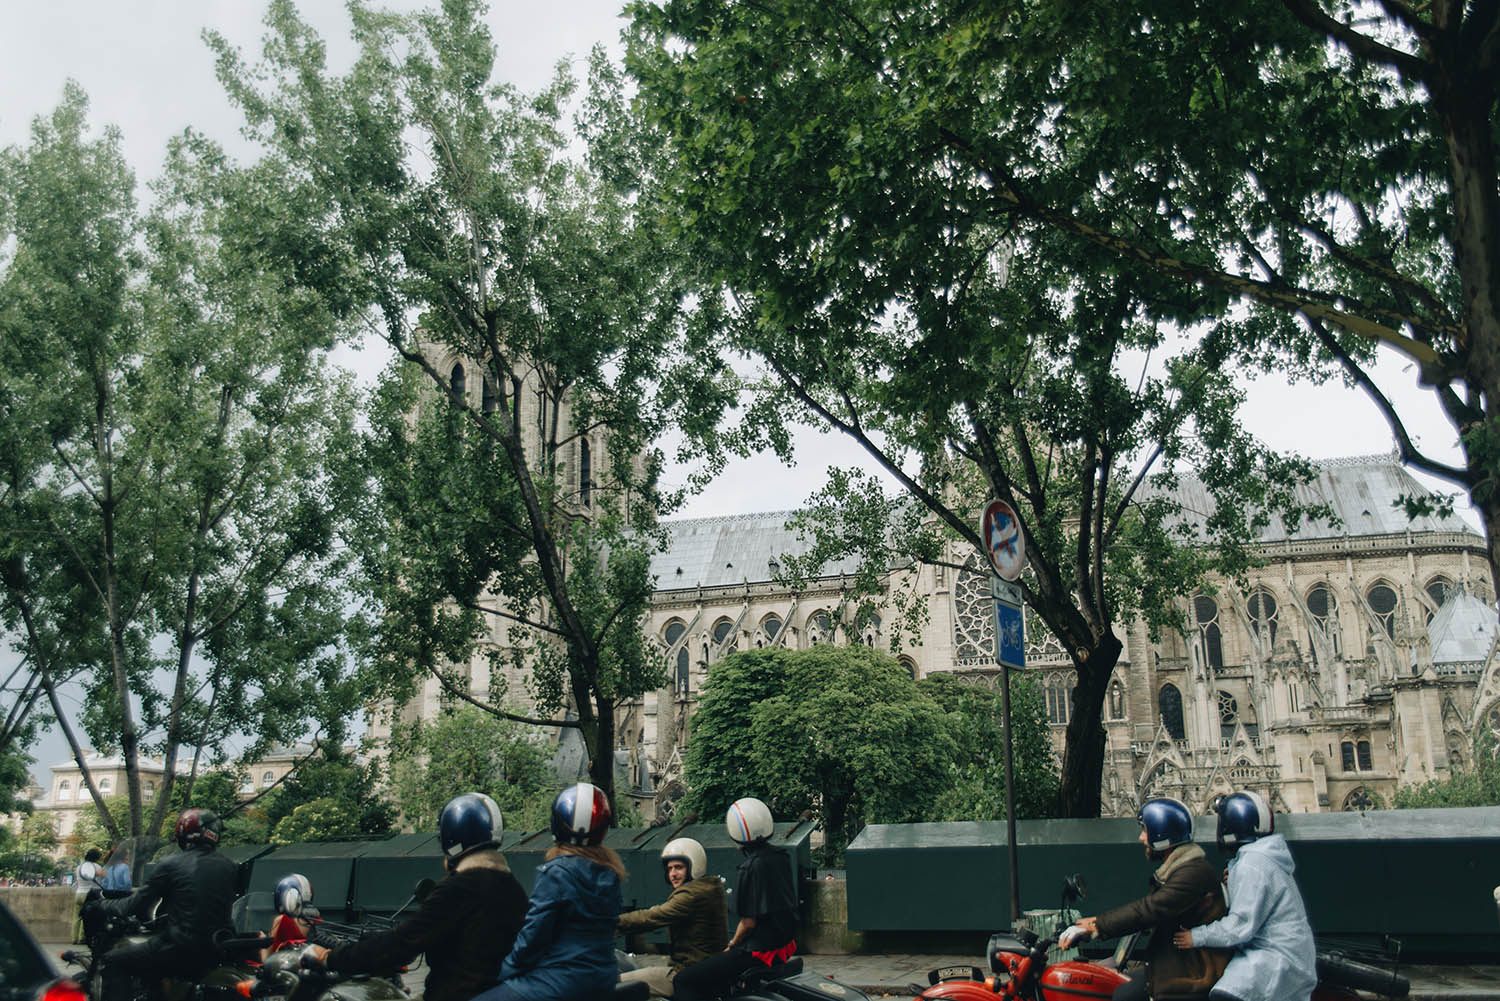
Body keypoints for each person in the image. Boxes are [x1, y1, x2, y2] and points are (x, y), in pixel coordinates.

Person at [305, 792, 528, 1001]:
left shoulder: (460, 887)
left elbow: (402, 943)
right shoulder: (512, 888)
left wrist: (331, 957)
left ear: (450, 836)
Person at [1063, 797, 1229, 1001]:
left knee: (1123, 995)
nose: (1141, 838)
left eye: (1145, 830)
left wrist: (1097, 926)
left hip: (1191, 975)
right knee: (1113, 989)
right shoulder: (1181, 869)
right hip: (1173, 964)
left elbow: (1150, 909)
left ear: (1162, 835)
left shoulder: (1194, 873)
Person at [473, 782, 624, 1001]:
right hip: (603, 977)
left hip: (560, 981)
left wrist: (500, 973)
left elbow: (532, 940)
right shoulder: (610, 874)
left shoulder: (556, 873)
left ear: (557, 825)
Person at [1171, 790, 1317, 1001]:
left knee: (1226, 995)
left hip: (1274, 957)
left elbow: (1240, 926)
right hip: (1285, 951)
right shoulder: (1262, 858)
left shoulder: (1253, 865)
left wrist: (1196, 937)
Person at [97, 808, 237, 1001]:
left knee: (113, 961)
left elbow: (132, 906)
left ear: (182, 832)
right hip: (216, 948)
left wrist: (101, 905)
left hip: (180, 948)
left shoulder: (170, 864)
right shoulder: (228, 866)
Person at [672, 798, 797, 1001]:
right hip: (782, 944)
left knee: (684, 980)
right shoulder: (781, 856)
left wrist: (732, 943)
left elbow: (748, 923)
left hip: (757, 950)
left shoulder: (750, 867)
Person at [618, 837, 728, 997]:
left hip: (686, 972)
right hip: (701, 969)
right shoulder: (708, 887)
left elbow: (653, 916)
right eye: (669, 869)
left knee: (616, 983)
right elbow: (661, 910)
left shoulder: (692, 894)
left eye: (678, 867)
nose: (673, 874)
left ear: (694, 866)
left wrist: (612, 923)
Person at [71, 849, 104, 945]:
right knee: (87, 916)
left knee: (76, 917)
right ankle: (82, 938)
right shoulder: (97, 867)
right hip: (90, 894)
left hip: (79, 893)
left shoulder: (79, 867)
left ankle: (74, 938)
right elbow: (103, 878)